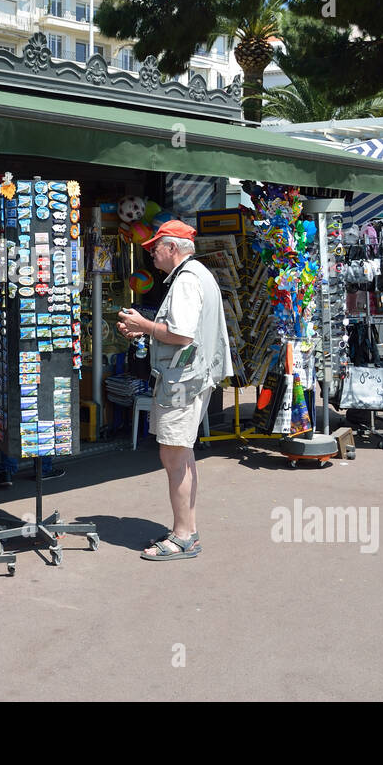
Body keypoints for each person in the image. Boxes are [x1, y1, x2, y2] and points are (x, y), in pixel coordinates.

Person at [117, 220, 231, 561]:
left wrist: (144, 326)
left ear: (173, 249)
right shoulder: (199, 275)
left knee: (173, 455)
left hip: (183, 380)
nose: (151, 252)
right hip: (193, 376)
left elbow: (181, 334)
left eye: (156, 247)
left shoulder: (186, 280)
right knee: (181, 452)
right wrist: (148, 332)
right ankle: (187, 529)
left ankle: (183, 535)